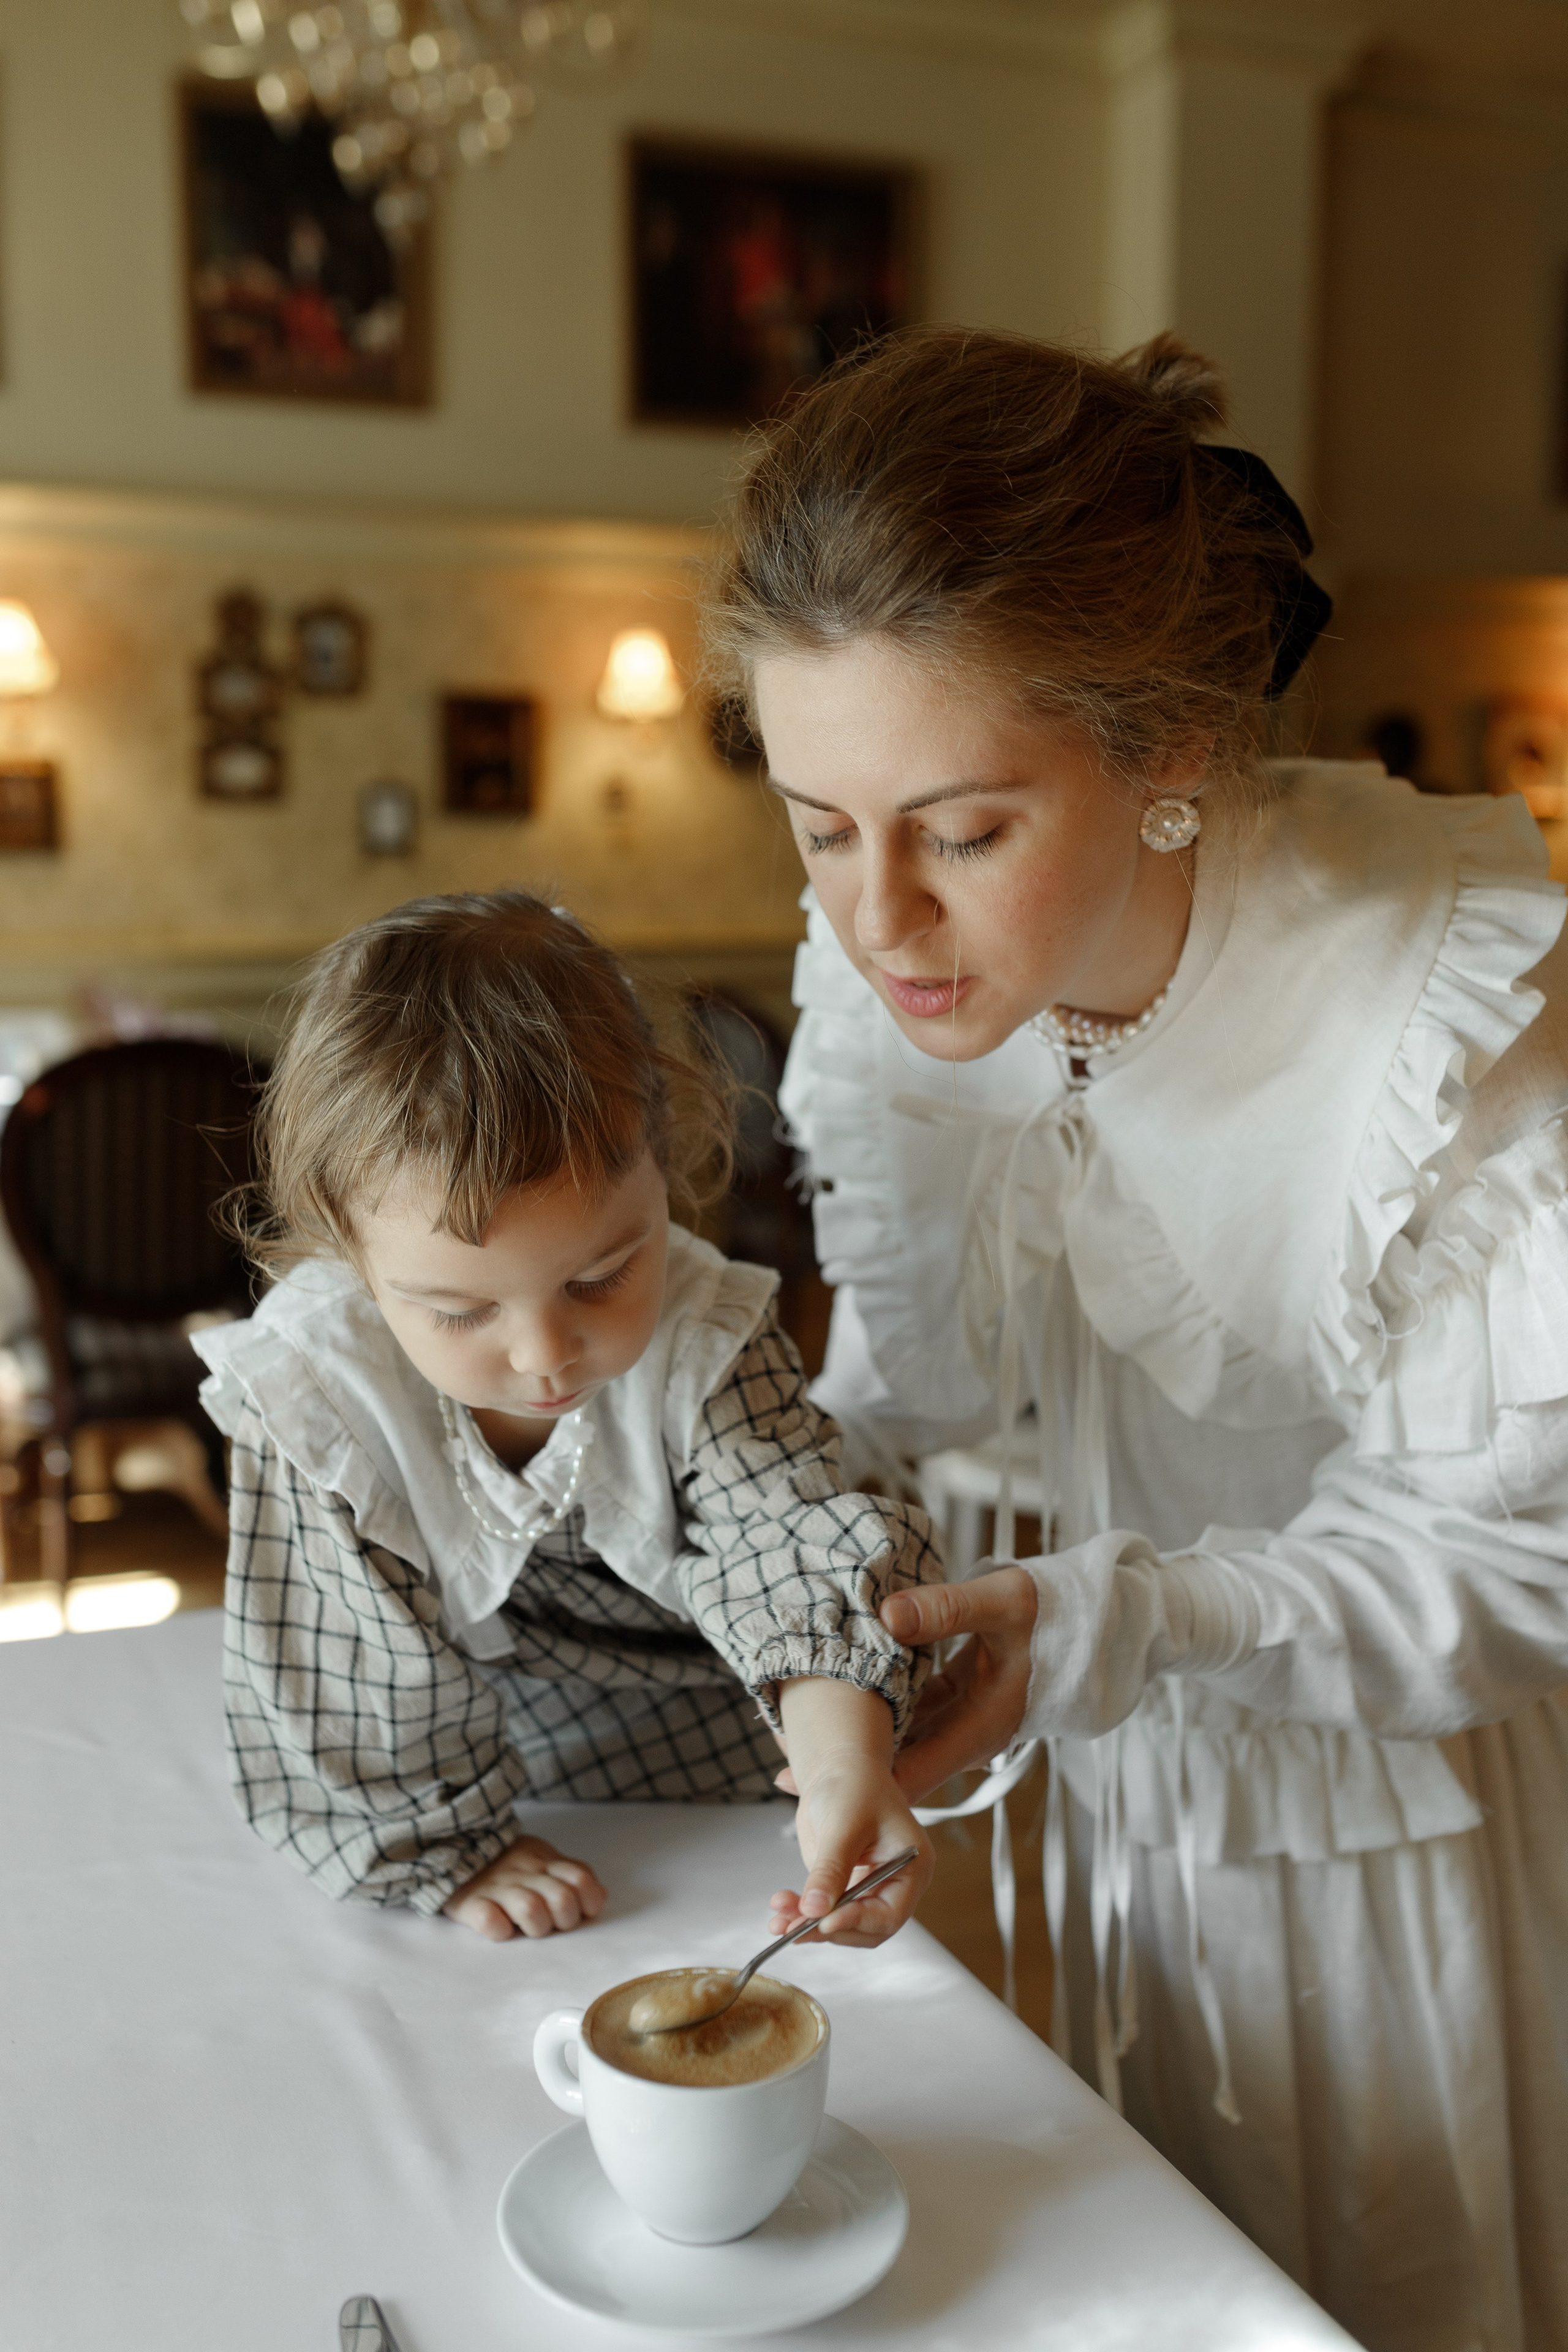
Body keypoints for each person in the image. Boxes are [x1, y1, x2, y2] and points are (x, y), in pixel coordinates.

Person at [706, 326, 1568, 2352]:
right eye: (819, 825)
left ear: (1175, 746)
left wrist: (1140, 1618)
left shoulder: (1434, 1021)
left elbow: (1520, 1565)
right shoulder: (903, 986)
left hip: (1395, 1842)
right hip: (1108, 1828)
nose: (877, 918)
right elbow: (901, 1403)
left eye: (962, 831)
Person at [194, 891, 937, 1946]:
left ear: (664, 1168)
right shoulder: (316, 1384)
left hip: (724, 1761)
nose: (544, 1355)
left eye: (602, 1277)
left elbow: (789, 1546)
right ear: (349, 1252)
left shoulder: (706, 1334)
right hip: (458, 1768)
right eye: (461, 1311)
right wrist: (452, 1848)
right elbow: (342, 1666)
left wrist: (838, 1764)